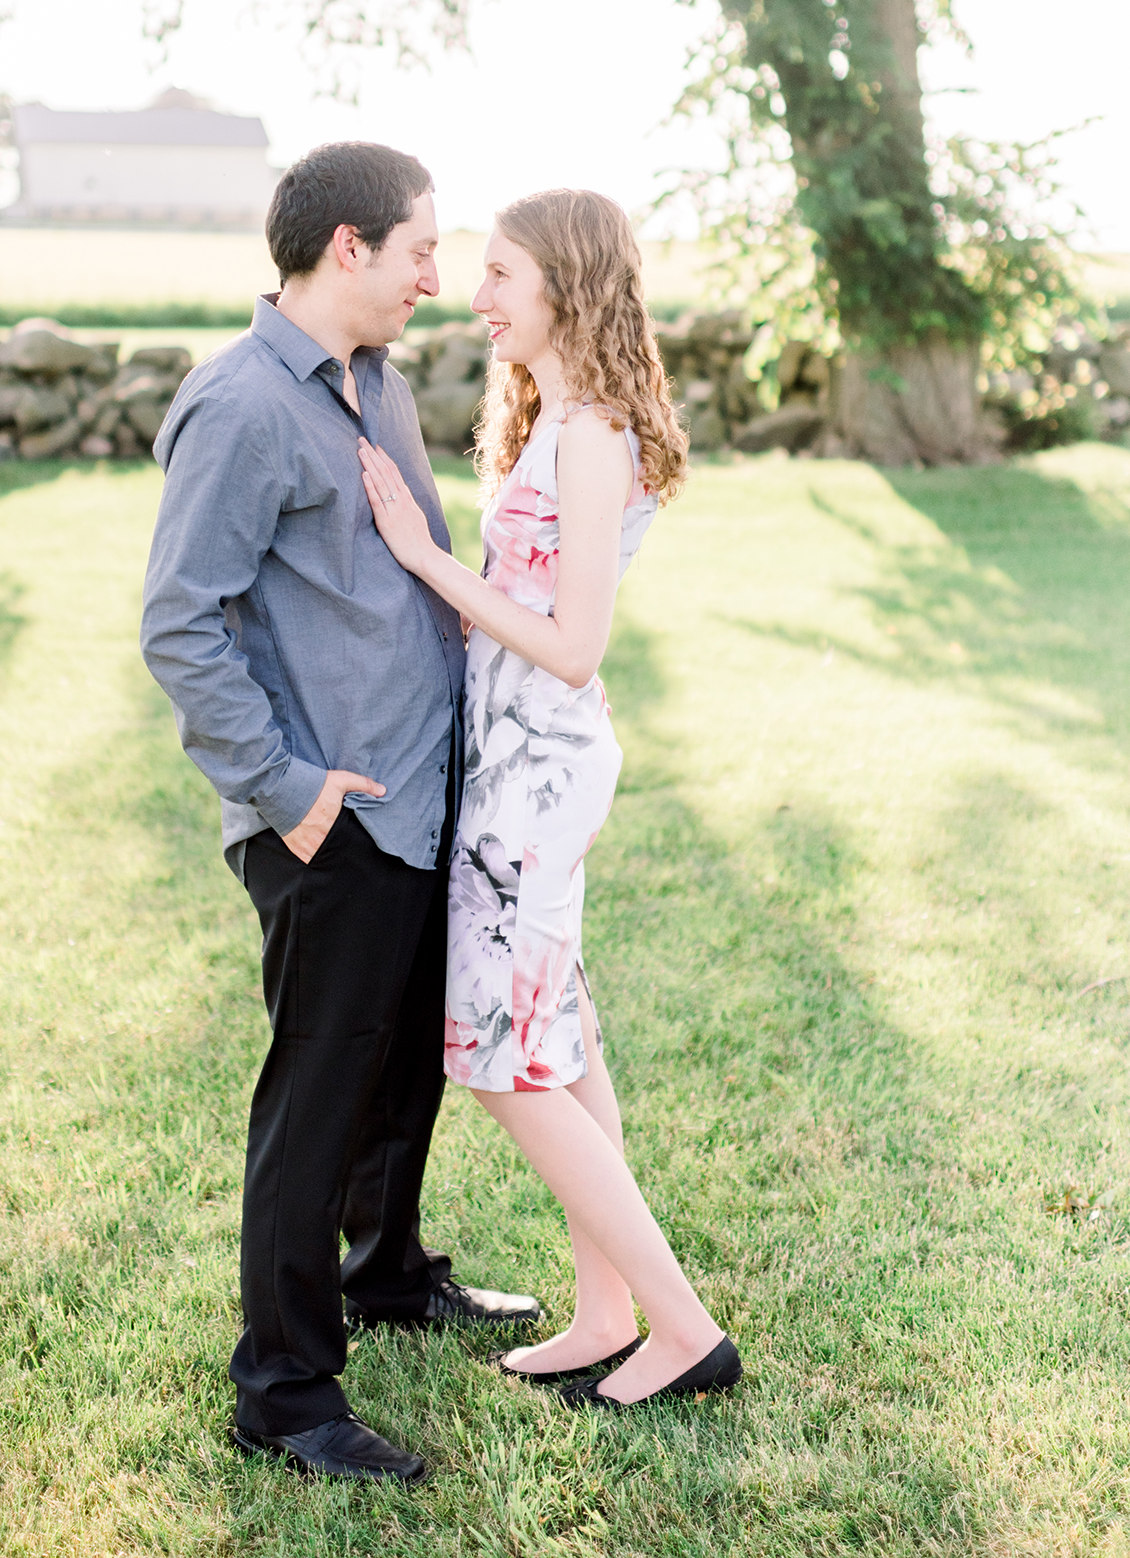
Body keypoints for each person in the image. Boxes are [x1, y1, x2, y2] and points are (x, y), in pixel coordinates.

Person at [141, 142, 539, 1487]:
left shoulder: (380, 387)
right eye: (422, 249)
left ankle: (388, 1273)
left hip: (424, 798)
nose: (440, 276)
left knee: (401, 1067)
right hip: (333, 818)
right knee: (315, 1100)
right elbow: (180, 626)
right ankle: (287, 1392)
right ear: (347, 249)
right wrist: (294, 792)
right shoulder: (241, 406)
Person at [357, 188, 743, 1412]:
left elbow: (572, 645)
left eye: (501, 276)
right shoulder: (558, 418)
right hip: (518, 760)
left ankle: (683, 1330)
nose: (476, 298)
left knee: (500, 1061)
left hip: (539, 766)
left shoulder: (588, 437)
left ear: (565, 285)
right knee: (556, 1042)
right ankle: (604, 1312)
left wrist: (423, 560)